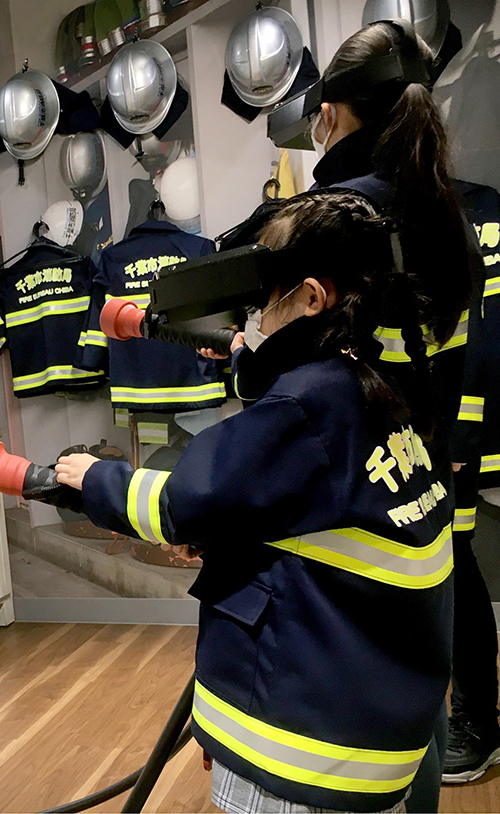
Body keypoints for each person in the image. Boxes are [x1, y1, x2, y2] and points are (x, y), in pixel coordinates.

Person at [56, 191, 454, 814]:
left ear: (312, 298)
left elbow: (182, 504)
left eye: (263, 302)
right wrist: (255, 354)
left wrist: (96, 479)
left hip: (304, 757)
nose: (251, 320)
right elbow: (311, 501)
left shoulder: (304, 406)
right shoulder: (378, 387)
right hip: (378, 730)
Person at [303, 19, 491, 788]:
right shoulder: (445, 210)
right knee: (448, 584)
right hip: (430, 448)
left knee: (362, 614)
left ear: (334, 112)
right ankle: (463, 729)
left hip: (358, 459)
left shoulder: (344, 211)